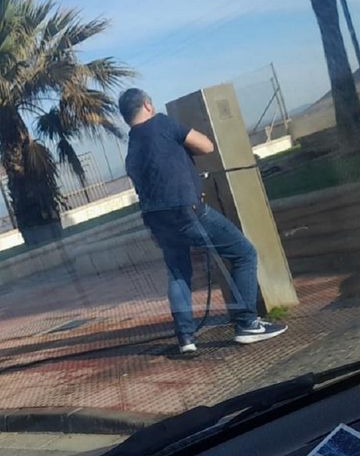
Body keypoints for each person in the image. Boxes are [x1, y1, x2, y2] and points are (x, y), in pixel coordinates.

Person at [120, 87, 287, 356]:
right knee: (244, 253)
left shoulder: (132, 145)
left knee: (178, 273)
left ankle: (186, 339)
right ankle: (247, 324)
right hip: (188, 211)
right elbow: (206, 145)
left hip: (156, 219)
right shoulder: (162, 123)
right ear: (147, 105)